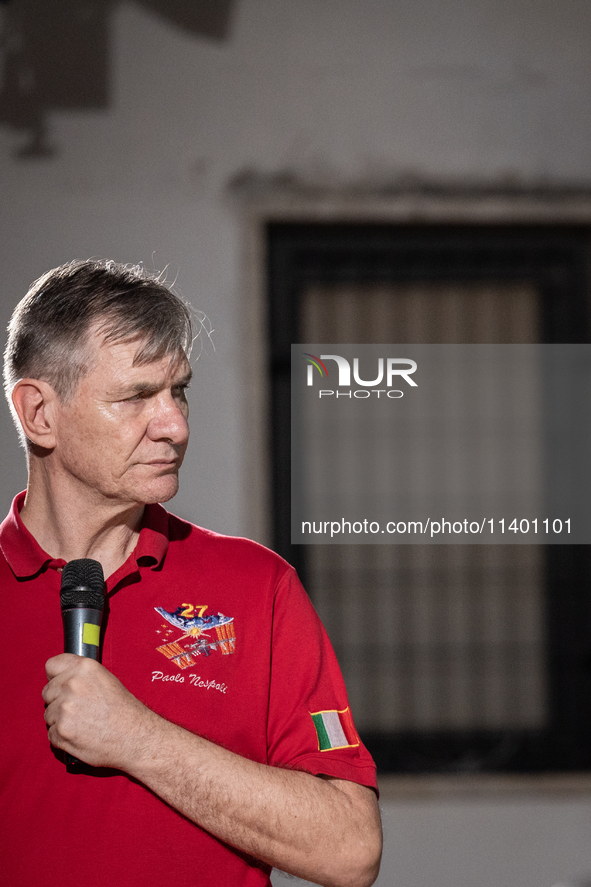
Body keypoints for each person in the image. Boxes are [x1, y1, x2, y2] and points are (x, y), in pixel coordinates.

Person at [0, 259, 382, 887]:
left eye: (178, 390)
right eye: (135, 397)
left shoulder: (259, 587)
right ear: (39, 413)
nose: (174, 424)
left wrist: (139, 739)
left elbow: (350, 850)